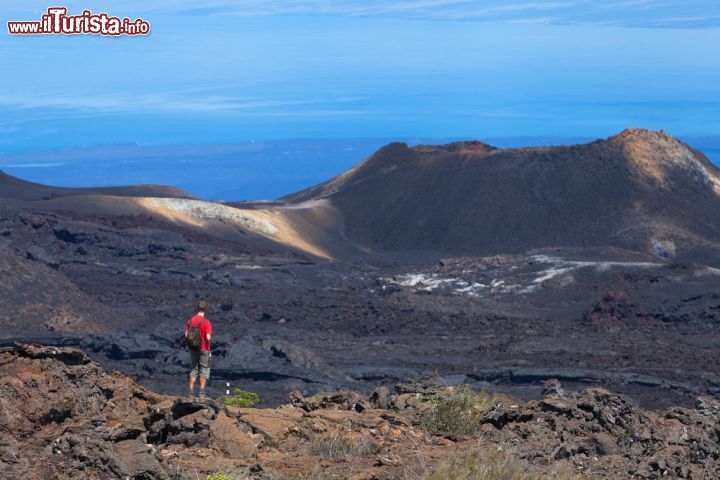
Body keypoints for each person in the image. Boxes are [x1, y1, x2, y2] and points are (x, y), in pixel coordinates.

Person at [185, 300, 213, 396]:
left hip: (193, 348)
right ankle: (201, 392)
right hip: (204, 348)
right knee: (203, 369)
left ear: (197, 308)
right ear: (205, 309)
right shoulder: (206, 322)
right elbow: (208, 337)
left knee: (194, 368)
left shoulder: (190, 321)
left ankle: (191, 392)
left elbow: (186, 335)